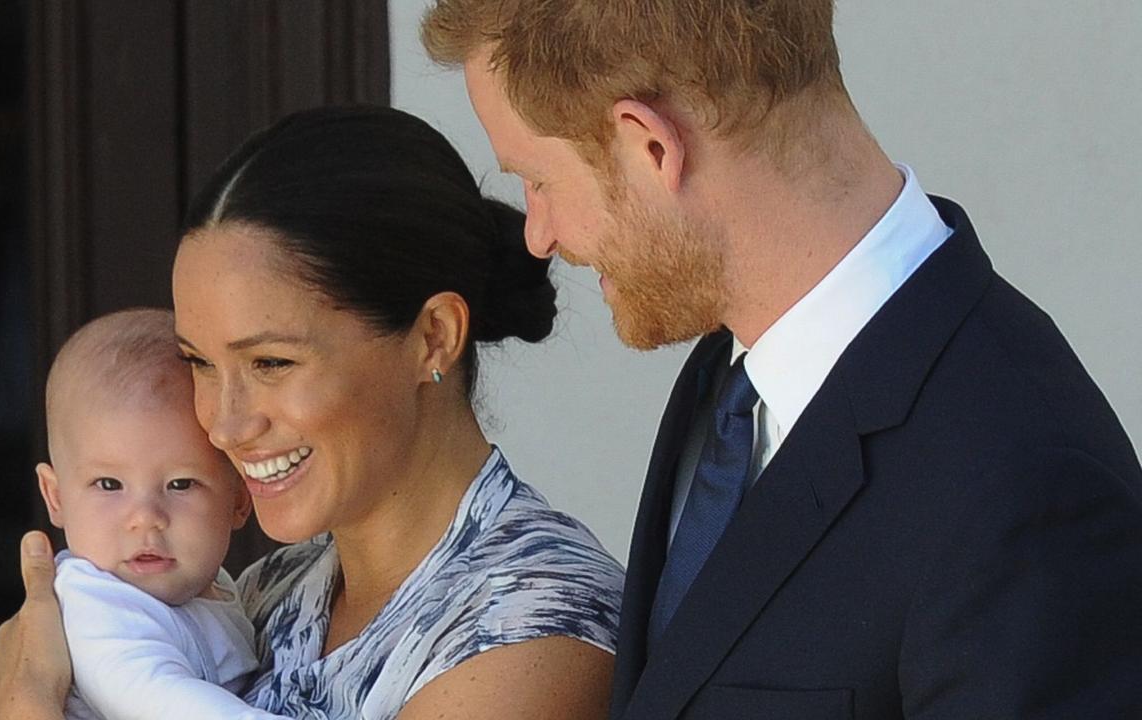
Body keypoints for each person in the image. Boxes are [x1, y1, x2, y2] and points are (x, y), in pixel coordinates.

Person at [421, 1, 1142, 718]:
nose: (540, 235)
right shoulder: (732, 378)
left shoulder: (1027, 488)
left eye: (538, 181)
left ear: (650, 146)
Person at [0, 105, 624, 720]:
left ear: (432, 336)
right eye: (200, 363)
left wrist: (25, 704)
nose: (224, 424)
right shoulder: (269, 592)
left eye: (271, 364)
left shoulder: (536, 629)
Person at [36, 307, 276, 719]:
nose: (146, 517)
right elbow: (159, 701)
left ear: (239, 499)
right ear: (56, 498)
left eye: (180, 484)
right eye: (109, 485)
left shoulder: (215, 587)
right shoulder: (95, 608)